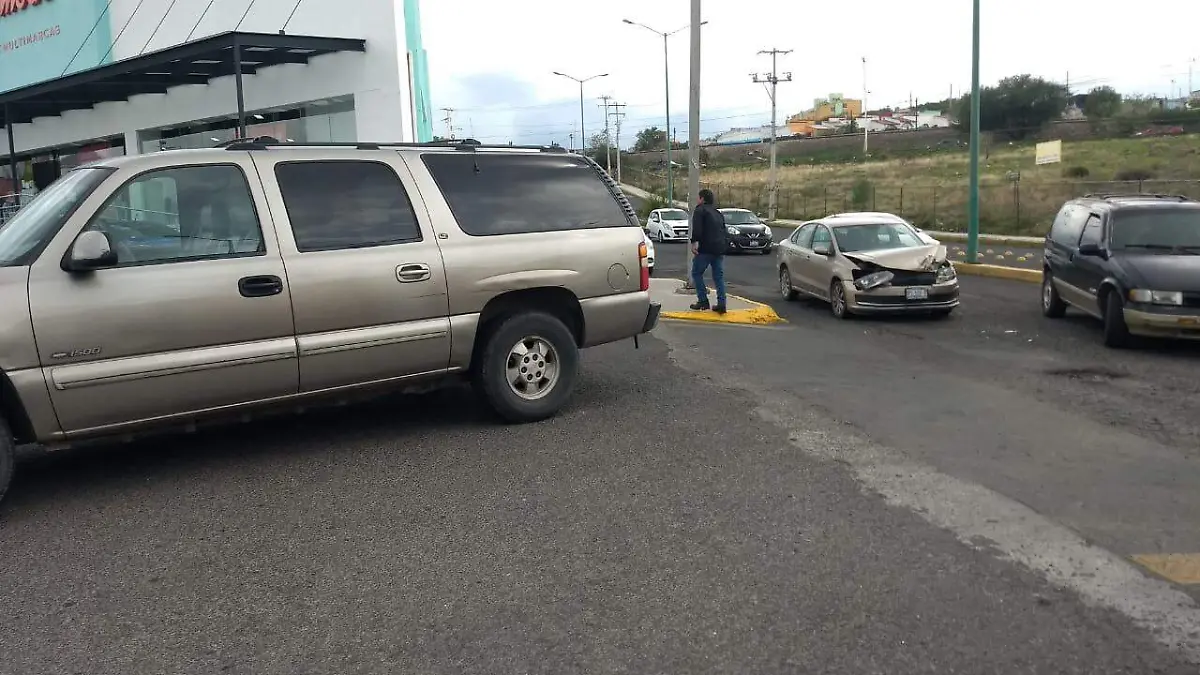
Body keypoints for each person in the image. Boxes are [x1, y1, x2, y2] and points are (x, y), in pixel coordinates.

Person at [689, 188, 728, 313]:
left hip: (706, 248)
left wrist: (694, 242)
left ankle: (703, 300)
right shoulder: (718, 213)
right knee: (718, 277)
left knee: (696, 273)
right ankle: (722, 303)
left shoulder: (700, 210)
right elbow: (724, 230)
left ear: (702, 199)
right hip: (719, 249)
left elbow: (697, 229)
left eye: (698, 197)